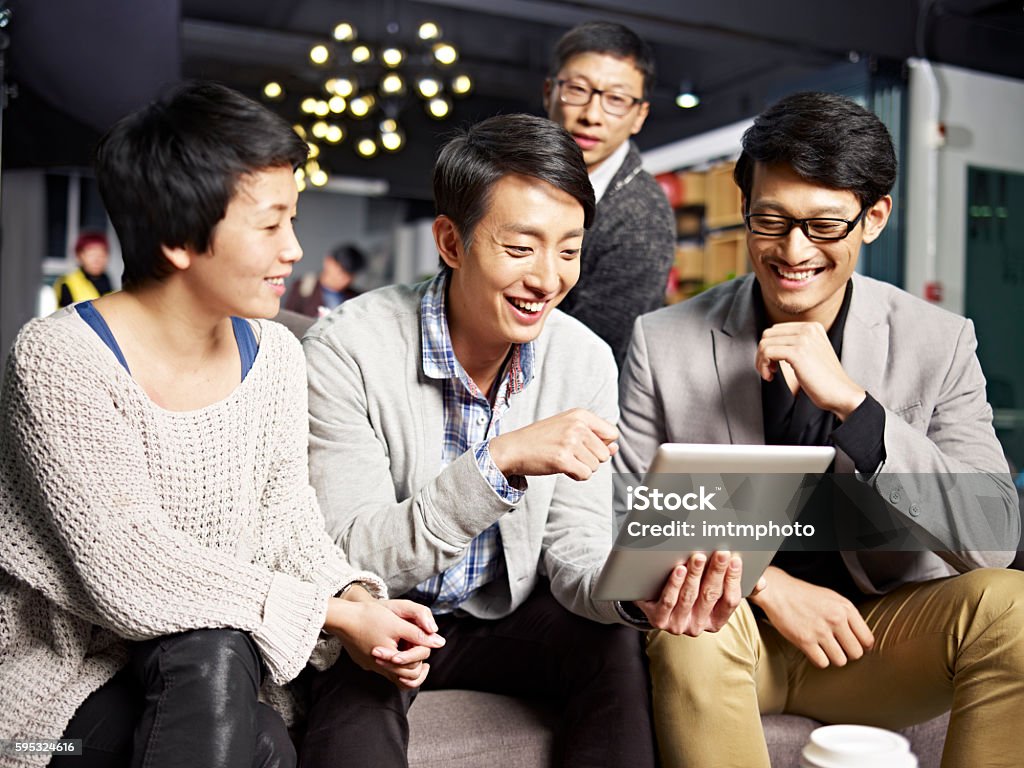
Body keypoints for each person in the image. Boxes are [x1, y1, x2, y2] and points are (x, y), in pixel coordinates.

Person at [0, 81, 443, 768]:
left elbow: (289, 525)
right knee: (230, 683)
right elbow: (129, 566)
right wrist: (330, 613)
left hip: (210, 684)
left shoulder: (275, 359)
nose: (294, 249)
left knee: (232, 681)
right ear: (179, 237)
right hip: (44, 719)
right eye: (271, 225)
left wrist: (355, 597)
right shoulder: (58, 359)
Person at [300, 113, 743, 768]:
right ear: (451, 242)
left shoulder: (583, 360)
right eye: (520, 248)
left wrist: (631, 591)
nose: (548, 279)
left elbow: (573, 544)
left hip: (502, 614)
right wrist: (498, 462)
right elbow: (353, 552)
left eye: (569, 251)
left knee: (612, 646)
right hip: (380, 616)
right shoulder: (346, 349)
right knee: (348, 728)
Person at [614, 91, 1024, 768]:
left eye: (824, 226)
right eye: (769, 221)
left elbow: (993, 539)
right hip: (731, 634)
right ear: (744, 210)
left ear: (874, 217)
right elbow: (623, 521)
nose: (793, 251)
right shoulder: (663, 342)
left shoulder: (939, 341)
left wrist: (860, 411)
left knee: (1013, 608)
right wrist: (765, 584)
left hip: (879, 638)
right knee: (691, 620)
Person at [543, 20, 675, 367]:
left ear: (639, 116)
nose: (592, 115)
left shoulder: (641, 217)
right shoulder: (515, 181)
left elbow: (589, 356)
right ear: (549, 93)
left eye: (616, 99)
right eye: (577, 90)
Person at [284, 243, 365, 318]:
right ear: (328, 261)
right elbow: (290, 320)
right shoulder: (304, 288)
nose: (342, 277)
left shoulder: (356, 298)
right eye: (340, 270)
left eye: (349, 275)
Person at [54, 230, 114, 307]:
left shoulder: (109, 283)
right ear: (79, 255)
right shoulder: (67, 282)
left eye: (101, 255)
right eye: (92, 254)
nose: (97, 260)